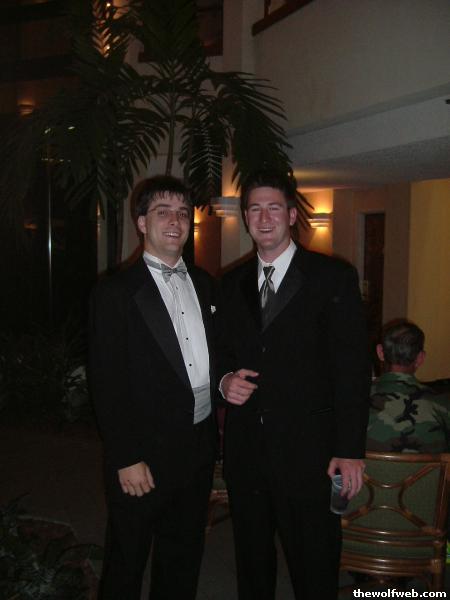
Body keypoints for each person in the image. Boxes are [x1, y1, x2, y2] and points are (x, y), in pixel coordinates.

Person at [219, 168, 370, 600]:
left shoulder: (332, 277)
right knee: (252, 565)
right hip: (248, 453)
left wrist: (350, 450)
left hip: (311, 454)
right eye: (254, 209)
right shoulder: (231, 283)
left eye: (273, 208)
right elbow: (218, 353)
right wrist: (224, 381)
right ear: (246, 218)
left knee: (314, 566)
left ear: (290, 216)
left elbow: (352, 370)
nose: (264, 218)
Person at [89, 175, 217, 599]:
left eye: (183, 213)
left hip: (196, 449)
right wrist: (125, 456)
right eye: (163, 212)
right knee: (126, 561)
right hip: (141, 454)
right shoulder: (115, 292)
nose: (175, 222)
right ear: (142, 222)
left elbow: (211, 359)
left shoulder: (205, 284)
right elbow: (106, 381)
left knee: (183, 558)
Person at [367, 320, 450, 453]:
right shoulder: (443, 404)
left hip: (367, 467)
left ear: (380, 352)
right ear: (420, 358)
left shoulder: (353, 401)